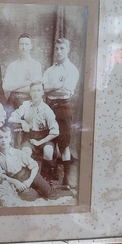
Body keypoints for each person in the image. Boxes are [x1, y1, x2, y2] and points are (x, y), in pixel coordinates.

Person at [42, 38, 80, 189]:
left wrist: (51, 88)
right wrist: (56, 85)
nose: (58, 51)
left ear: (68, 49)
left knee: (64, 143)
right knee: (49, 141)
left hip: (64, 108)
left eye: (62, 48)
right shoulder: (50, 70)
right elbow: (41, 87)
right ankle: (51, 174)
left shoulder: (72, 69)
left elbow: (67, 90)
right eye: (56, 48)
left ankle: (66, 177)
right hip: (49, 107)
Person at [8, 80, 59, 181]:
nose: (36, 93)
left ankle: (45, 176)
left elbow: (55, 131)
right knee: (25, 152)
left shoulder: (46, 110)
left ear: (42, 92)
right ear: (30, 92)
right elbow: (11, 118)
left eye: (38, 90)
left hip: (44, 138)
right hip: (30, 137)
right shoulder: (26, 105)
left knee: (48, 151)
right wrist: (22, 122)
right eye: (33, 91)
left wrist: (40, 142)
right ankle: (28, 178)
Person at [0, 126, 54, 201]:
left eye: (6, 137)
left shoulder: (17, 153)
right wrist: (15, 182)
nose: (3, 140)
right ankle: (38, 194)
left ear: (10, 139)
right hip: (15, 180)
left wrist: (30, 180)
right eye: (0, 137)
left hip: (29, 175)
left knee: (49, 193)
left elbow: (34, 165)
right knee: (28, 196)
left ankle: (51, 191)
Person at [3, 33, 43, 113]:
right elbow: (5, 87)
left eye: (26, 44)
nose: (24, 47)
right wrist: (23, 83)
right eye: (21, 44)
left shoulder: (36, 65)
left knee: (25, 124)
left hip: (27, 101)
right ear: (18, 46)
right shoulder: (12, 65)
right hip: (11, 101)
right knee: (9, 124)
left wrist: (13, 88)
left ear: (31, 46)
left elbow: (33, 89)